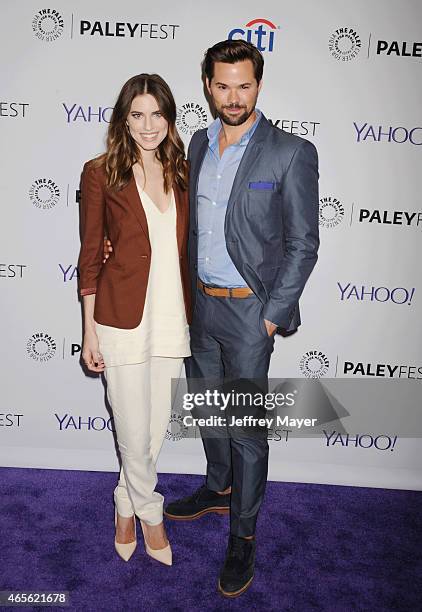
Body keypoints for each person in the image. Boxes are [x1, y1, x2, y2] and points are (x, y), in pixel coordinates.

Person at [104, 40, 319, 597]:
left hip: (251, 310)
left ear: (259, 85)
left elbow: (303, 244)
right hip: (198, 306)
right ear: (207, 85)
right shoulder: (195, 144)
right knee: (207, 409)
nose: (233, 96)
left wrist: (271, 317)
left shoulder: (291, 152)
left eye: (243, 85)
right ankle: (217, 487)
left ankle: (243, 536)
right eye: (222, 85)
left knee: (246, 429)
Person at [78, 73, 191, 567]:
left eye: (157, 114)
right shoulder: (100, 172)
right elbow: (89, 256)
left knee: (154, 429)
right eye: (138, 114)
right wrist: (88, 328)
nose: (148, 126)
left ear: (169, 117)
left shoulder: (182, 170)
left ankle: (124, 502)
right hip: (120, 318)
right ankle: (151, 515)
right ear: (124, 119)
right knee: (130, 425)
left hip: (171, 315)